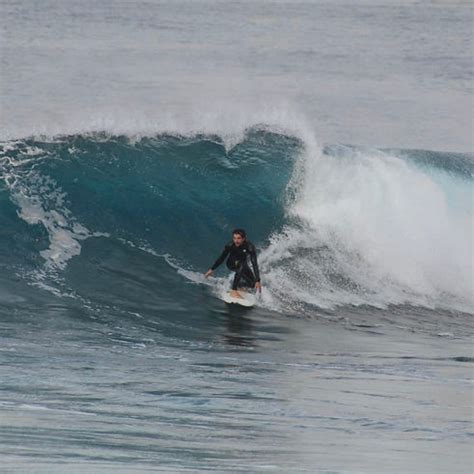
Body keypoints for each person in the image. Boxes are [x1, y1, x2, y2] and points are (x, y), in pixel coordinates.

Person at [204, 229, 262, 298]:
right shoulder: (230, 245)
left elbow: (254, 263)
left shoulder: (250, 247)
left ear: (243, 238)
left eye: (238, 238)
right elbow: (222, 258)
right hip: (231, 264)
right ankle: (234, 290)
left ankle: (239, 286)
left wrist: (258, 280)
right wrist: (211, 269)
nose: (236, 241)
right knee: (241, 265)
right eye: (234, 238)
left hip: (243, 264)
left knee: (253, 284)